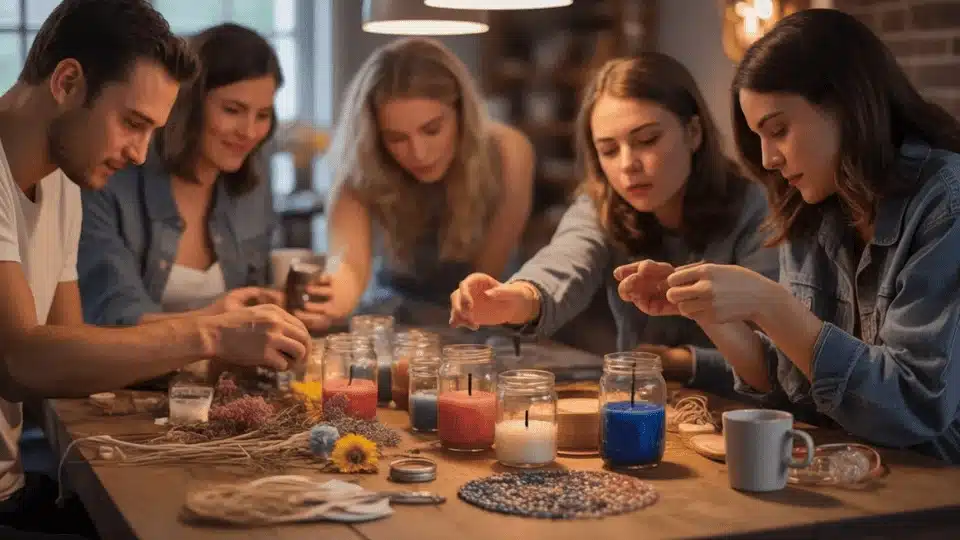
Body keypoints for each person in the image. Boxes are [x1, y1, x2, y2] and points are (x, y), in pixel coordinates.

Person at [0, 1, 311, 536]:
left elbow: (69, 352)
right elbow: (21, 361)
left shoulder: (62, 183)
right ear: (68, 81)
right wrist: (209, 333)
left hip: (14, 489)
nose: (142, 154)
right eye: (133, 123)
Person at [621, 10, 960, 462]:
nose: (768, 159)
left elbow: (911, 410)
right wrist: (709, 309)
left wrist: (769, 303)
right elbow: (792, 395)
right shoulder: (812, 207)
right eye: (759, 136)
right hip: (847, 473)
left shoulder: (945, 203)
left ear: (846, 104)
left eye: (778, 130)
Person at [448, 53, 778, 396]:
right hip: (646, 409)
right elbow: (562, 264)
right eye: (608, 149)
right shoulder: (600, 205)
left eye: (647, 140)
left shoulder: (756, 211)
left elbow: (777, 363)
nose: (627, 164)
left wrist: (682, 361)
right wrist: (512, 299)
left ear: (693, 132)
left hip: (750, 422)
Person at [77, 23, 326, 332]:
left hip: (222, 377)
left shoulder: (252, 186)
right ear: (189, 104)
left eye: (262, 115)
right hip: (127, 380)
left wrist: (274, 306)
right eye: (233, 110)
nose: (249, 133)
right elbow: (115, 317)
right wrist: (217, 321)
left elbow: (251, 299)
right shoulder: (111, 180)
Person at [317, 37, 535, 327]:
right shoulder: (361, 168)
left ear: (461, 112)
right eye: (396, 138)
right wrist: (329, 301)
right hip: (396, 321)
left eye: (432, 130)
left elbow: (487, 279)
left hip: (484, 316)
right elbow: (348, 267)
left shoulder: (509, 151)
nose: (418, 153)